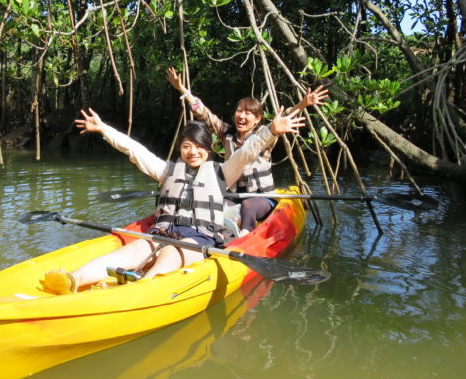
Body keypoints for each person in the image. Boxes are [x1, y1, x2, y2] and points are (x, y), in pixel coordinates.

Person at [42, 106, 305, 295]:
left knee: (169, 253)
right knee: (133, 251)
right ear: (180, 149)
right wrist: (103, 129)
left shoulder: (224, 171)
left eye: (199, 146)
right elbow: (135, 150)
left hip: (199, 239)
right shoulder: (167, 170)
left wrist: (270, 130)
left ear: (209, 149)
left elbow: (248, 150)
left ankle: (140, 291)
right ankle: (73, 279)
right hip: (163, 232)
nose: (192, 152)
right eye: (187, 146)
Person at [166, 67, 328, 234]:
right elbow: (204, 113)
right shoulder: (226, 133)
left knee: (248, 206)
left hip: (260, 197)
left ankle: (244, 236)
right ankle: (213, 232)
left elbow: (282, 119)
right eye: (239, 111)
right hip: (232, 195)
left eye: (248, 113)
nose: (241, 116)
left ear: (257, 119)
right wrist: (182, 89)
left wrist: (303, 104)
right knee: (211, 202)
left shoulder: (264, 136)